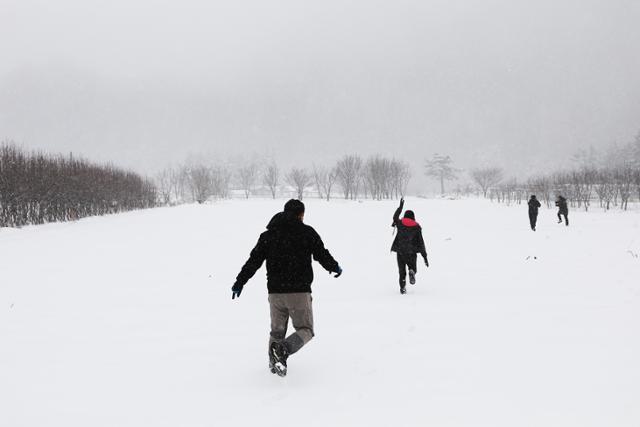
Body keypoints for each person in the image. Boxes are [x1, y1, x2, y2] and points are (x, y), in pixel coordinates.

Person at [231, 199, 342, 377]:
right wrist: (334, 267)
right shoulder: (307, 232)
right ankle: (283, 351)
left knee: (277, 331)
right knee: (306, 330)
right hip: (299, 292)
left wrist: (240, 282)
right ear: (301, 214)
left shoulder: (268, 235)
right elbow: (322, 254)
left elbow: (253, 262)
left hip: (275, 294)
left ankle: (274, 367)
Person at [391, 198, 429, 294]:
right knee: (412, 268)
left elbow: (395, 217)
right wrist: (425, 257)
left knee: (401, 272)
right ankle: (412, 271)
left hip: (400, 251)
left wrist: (400, 207)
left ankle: (402, 289)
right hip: (411, 252)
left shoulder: (400, 223)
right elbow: (421, 243)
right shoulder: (417, 227)